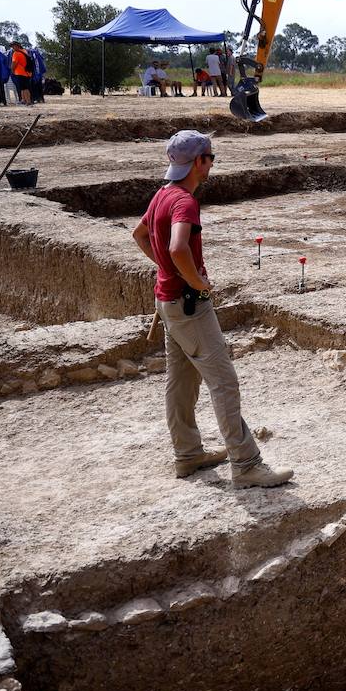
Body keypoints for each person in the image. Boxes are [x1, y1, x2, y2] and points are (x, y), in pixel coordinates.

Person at [131, 131, 293, 488]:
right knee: (224, 383)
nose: (212, 163)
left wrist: (169, 272)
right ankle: (247, 463)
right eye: (211, 157)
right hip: (189, 306)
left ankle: (187, 455)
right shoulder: (184, 202)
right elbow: (176, 247)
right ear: (199, 162)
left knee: (182, 381)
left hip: (167, 302)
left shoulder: (162, 195)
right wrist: (196, 282)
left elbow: (139, 234)